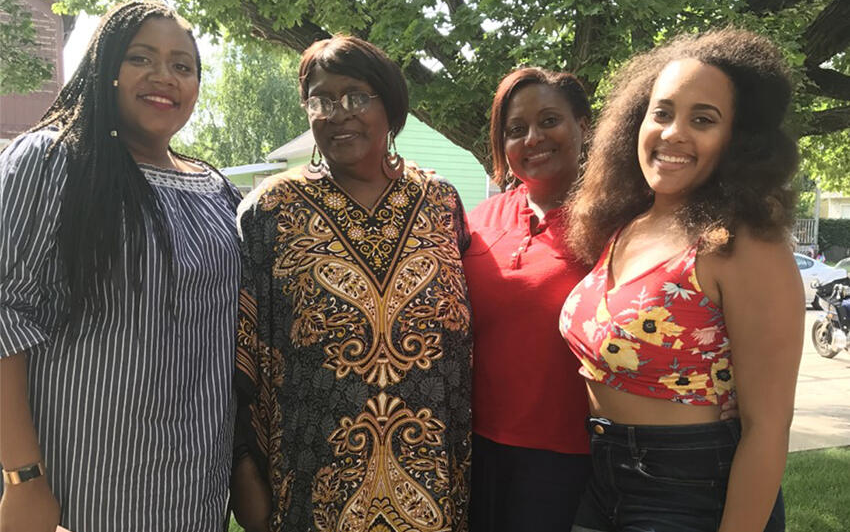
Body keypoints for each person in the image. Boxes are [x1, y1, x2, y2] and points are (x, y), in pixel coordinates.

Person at [0, 1, 242, 532]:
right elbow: (5, 320)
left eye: (183, 65)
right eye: (141, 58)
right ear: (105, 69)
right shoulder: (52, 161)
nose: (164, 77)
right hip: (86, 490)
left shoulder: (213, 188)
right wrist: (23, 480)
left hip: (195, 489)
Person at [560, 28, 803, 531]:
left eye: (703, 119)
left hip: (691, 489)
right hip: (604, 475)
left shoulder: (741, 241)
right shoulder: (629, 223)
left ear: (739, 141)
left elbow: (768, 427)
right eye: (662, 112)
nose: (673, 133)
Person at [231, 35, 472, 532]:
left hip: (431, 489)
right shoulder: (272, 211)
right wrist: (243, 473)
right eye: (321, 100)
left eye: (357, 97)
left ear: (390, 105)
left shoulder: (440, 203)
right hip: (312, 487)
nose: (338, 113)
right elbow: (238, 353)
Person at [463, 68, 592, 530]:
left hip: (571, 458)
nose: (533, 138)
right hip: (475, 448)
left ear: (583, 125)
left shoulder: (617, 219)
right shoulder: (478, 219)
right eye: (516, 130)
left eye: (550, 120)